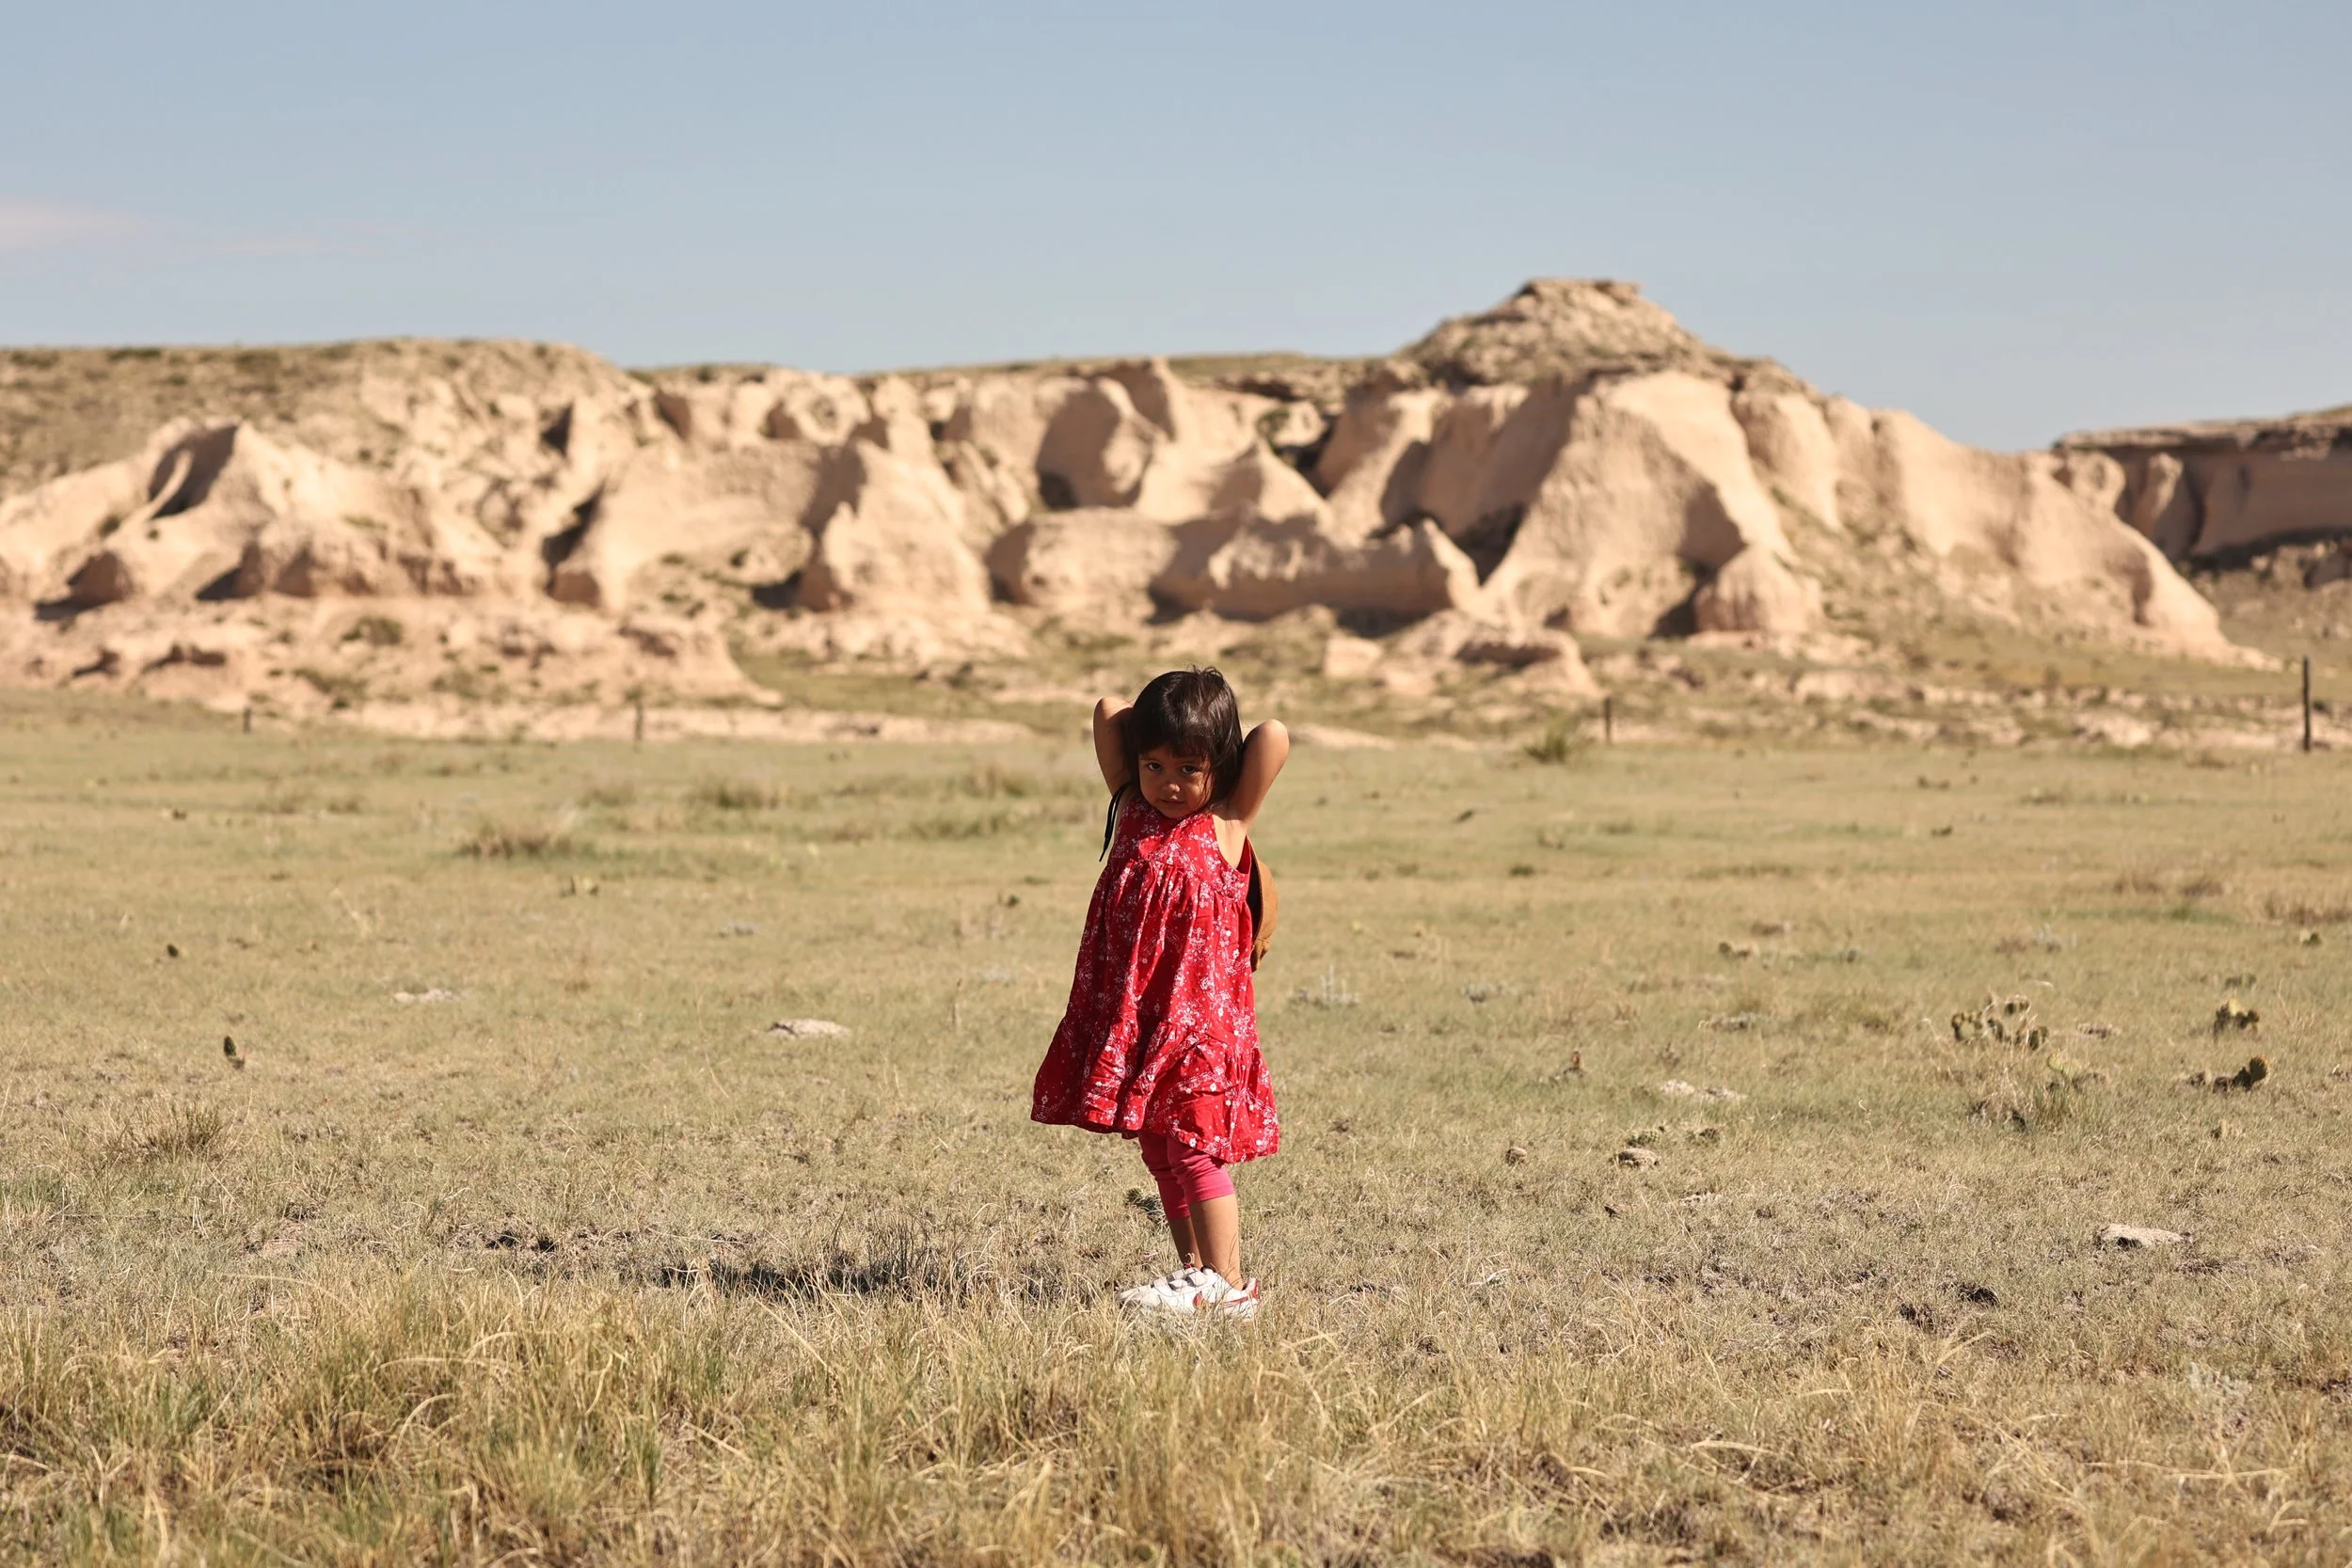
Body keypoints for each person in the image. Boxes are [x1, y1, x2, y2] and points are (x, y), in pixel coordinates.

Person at [1030, 667, 1290, 1320]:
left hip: (1203, 1021)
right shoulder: (1131, 806)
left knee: (1193, 1145)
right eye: (1154, 764)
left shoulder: (1228, 820)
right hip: (1143, 1018)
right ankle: (1195, 1273)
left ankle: (1229, 1285)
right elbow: (1108, 710)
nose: (1169, 783)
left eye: (1189, 768)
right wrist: (1154, 746)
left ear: (1220, 768)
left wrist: (1220, 767)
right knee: (1159, 1148)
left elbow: (1274, 735)